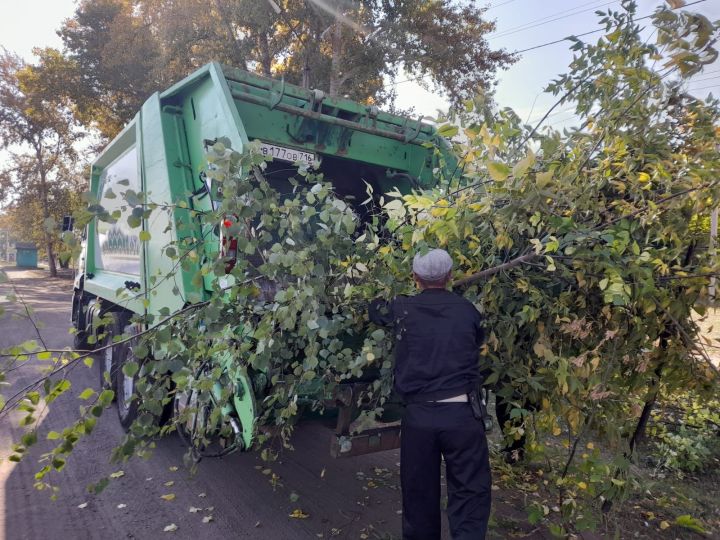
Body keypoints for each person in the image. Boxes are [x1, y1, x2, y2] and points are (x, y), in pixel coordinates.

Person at [369, 248, 491, 540]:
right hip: (462, 417)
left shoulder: (402, 308)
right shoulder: (468, 311)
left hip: (420, 419)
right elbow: (477, 339)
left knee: (419, 494)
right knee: (470, 494)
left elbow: (374, 309)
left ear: (414, 278)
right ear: (450, 276)